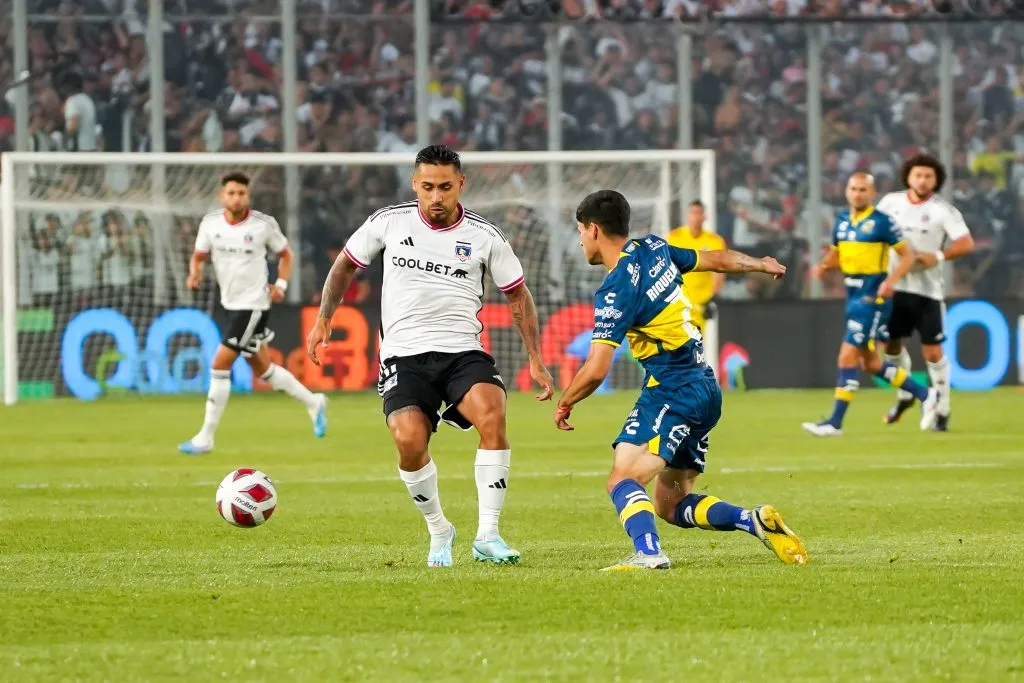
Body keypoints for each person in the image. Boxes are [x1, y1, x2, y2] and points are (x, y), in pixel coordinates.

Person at [306, 145, 554, 568]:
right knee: (408, 440)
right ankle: (440, 529)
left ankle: (488, 535)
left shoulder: (485, 236)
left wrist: (535, 357)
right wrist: (324, 317)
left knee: (492, 414)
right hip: (404, 357)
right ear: (414, 185)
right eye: (427, 187)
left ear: (461, 184)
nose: (436, 197)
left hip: (463, 352)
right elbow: (345, 266)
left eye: (444, 187)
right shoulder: (389, 222)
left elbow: (518, 296)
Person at [553, 189, 808, 571]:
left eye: (580, 231)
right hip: (705, 388)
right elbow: (716, 260)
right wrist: (758, 263)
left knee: (623, 479)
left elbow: (597, 368)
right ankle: (753, 521)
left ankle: (649, 554)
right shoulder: (655, 248)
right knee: (670, 504)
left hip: (673, 388)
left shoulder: (617, 287)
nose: (580, 240)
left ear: (593, 229)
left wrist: (565, 401)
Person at [178, 172, 328, 455]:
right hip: (230, 304)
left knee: (220, 365)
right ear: (222, 196)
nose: (237, 198)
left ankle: (205, 438)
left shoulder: (263, 225)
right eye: (231, 193)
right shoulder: (210, 224)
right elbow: (198, 256)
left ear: (248, 196)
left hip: (254, 305)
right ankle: (314, 402)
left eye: (241, 193)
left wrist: (281, 284)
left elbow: (286, 255)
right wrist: (193, 275)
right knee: (264, 370)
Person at [802, 172, 938, 437]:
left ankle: (835, 422)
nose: (857, 193)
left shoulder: (882, 222)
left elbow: (908, 256)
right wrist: (823, 266)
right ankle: (926, 394)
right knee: (871, 364)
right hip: (852, 295)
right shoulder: (841, 221)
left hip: (872, 297)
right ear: (846, 192)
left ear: (873, 193)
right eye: (853, 189)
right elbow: (837, 252)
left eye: (863, 189)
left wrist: (891, 282)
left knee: (847, 356)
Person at [877, 155, 974, 431]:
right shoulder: (889, 204)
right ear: (908, 176)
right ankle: (906, 392)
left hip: (927, 291)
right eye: (918, 175)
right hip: (894, 286)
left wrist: (939, 255)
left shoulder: (943, 210)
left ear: (936, 180)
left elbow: (966, 243)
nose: (922, 180)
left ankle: (942, 408)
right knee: (890, 346)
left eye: (928, 176)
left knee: (932, 351)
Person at [667, 200, 726, 331]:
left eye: (699, 213)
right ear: (687, 215)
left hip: (701, 303)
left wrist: (713, 298)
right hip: (679, 302)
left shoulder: (714, 241)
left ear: (705, 216)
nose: (696, 217)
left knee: (695, 344)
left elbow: (719, 271)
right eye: (693, 213)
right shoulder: (674, 237)